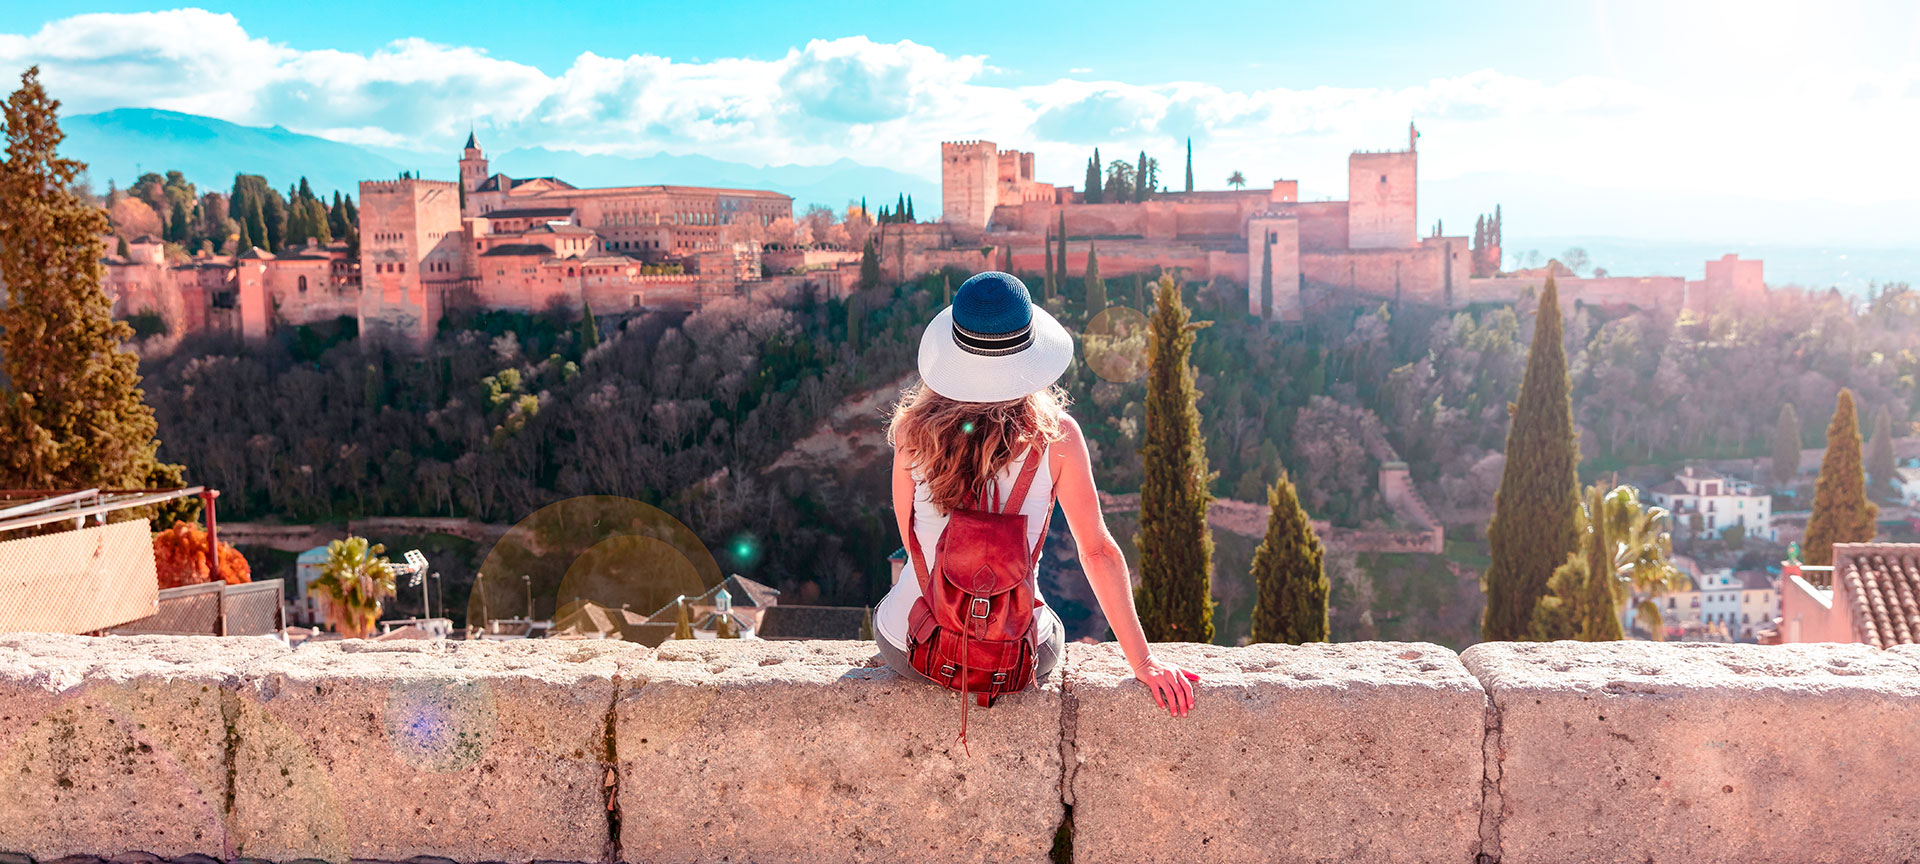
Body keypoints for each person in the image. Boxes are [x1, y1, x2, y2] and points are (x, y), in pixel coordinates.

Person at [874, 271, 1198, 717]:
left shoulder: (912, 432)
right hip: (1014, 658)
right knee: (1052, 625)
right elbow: (1097, 552)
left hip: (915, 647)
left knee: (898, 600)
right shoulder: (1058, 437)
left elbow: (912, 540)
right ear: (1028, 352)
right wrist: (1143, 661)